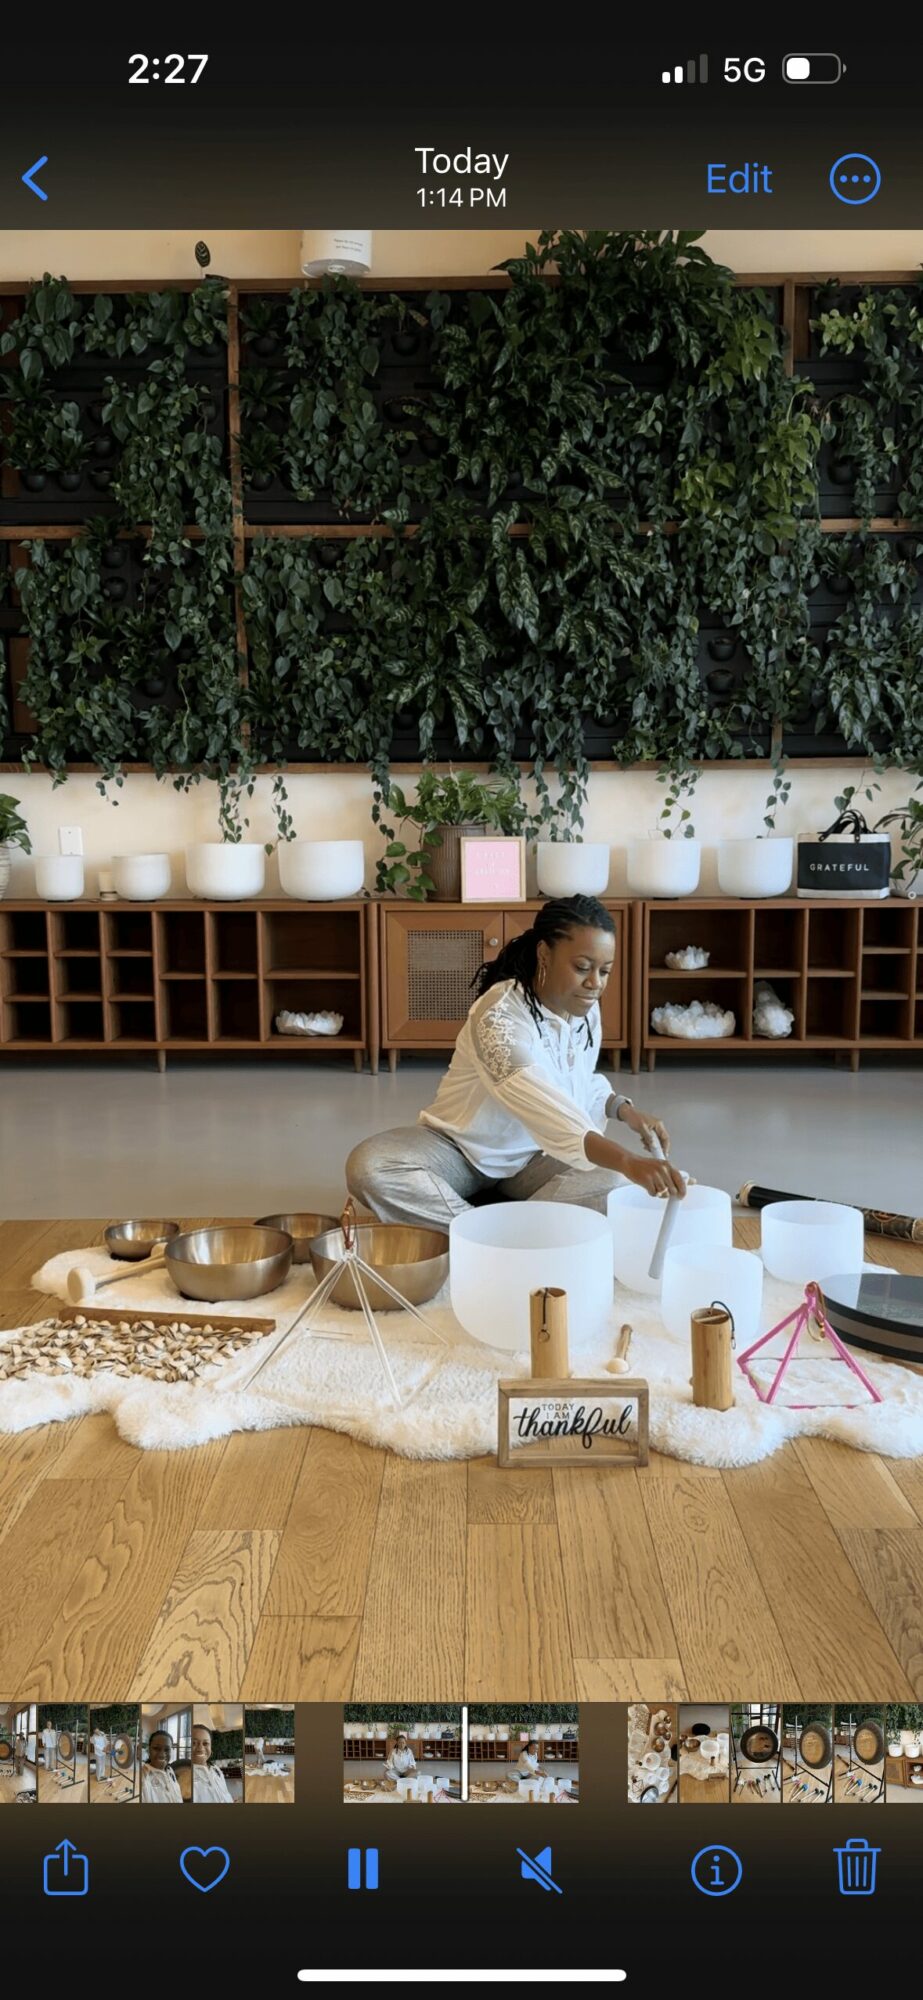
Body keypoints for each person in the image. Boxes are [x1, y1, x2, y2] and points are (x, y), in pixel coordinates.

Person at [346, 896, 684, 1229]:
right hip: (459, 1151)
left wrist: (623, 1109)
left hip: (533, 1158)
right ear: (544, 954)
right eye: (582, 967)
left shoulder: (585, 1010)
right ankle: (494, 1233)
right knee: (371, 1167)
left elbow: (575, 1081)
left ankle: (472, 1229)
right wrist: (626, 1159)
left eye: (604, 971)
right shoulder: (499, 1014)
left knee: (613, 1184)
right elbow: (541, 1103)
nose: (595, 983)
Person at [191, 1722, 234, 1804]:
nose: (200, 1748)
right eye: (194, 1743)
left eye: (205, 1743)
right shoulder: (186, 1774)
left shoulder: (215, 1769)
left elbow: (225, 1793)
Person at [141, 1730, 183, 1805]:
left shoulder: (170, 1771)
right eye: (156, 1748)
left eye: (167, 1749)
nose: (162, 1754)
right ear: (149, 1749)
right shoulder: (143, 1777)